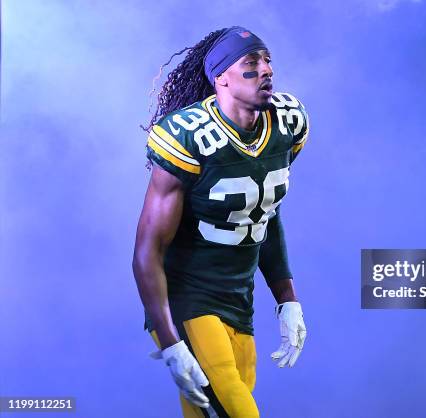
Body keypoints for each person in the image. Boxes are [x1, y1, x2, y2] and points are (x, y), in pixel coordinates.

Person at [132, 26, 309, 418]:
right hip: (190, 292)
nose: (266, 71)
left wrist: (287, 299)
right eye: (251, 63)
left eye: (267, 61)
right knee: (236, 407)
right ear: (221, 77)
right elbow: (148, 249)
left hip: (239, 294)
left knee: (210, 411)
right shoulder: (190, 136)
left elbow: (264, 212)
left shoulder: (286, 124)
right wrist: (169, 341)